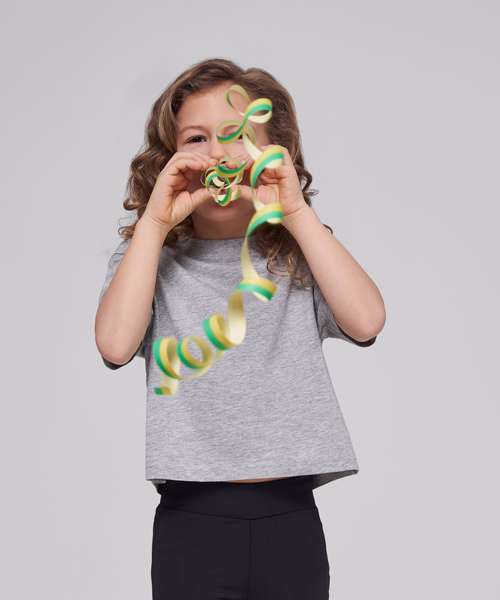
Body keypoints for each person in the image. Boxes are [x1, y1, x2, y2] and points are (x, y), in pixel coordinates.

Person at [95, 57, 385, 599]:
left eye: (237, 135)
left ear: (273, 151)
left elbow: (367, 321)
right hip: (191, 519)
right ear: (168, 157)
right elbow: (114, 345)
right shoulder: (149, 257)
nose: (218, 154)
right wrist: (154, 223)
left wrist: (295, 213)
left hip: (290, 516)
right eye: (196, 138)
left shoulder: (297, 253)